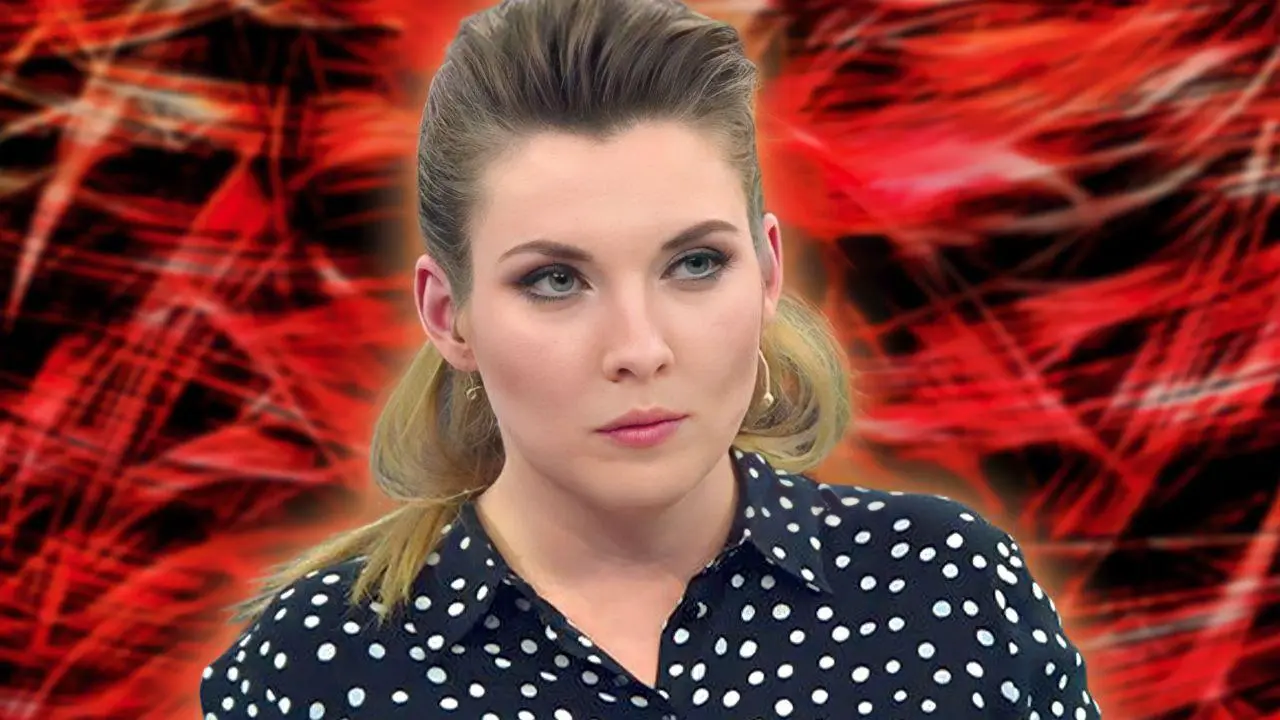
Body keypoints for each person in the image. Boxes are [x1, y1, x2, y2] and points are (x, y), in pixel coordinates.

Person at [198, 0, 1102, 717]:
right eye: (555, 280)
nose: (639, 348)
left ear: (768, 272)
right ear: (448, 315)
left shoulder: (945, 586)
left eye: (695, 264)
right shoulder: (308, 673)